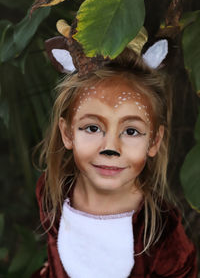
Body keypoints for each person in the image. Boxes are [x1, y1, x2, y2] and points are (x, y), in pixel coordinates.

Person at [33, 48, 197, 278]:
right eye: (92, 128)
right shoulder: (52, 192)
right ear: (68, 133)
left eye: (131, 131)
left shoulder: (162, 233)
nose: (110, 148)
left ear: (154, 141)